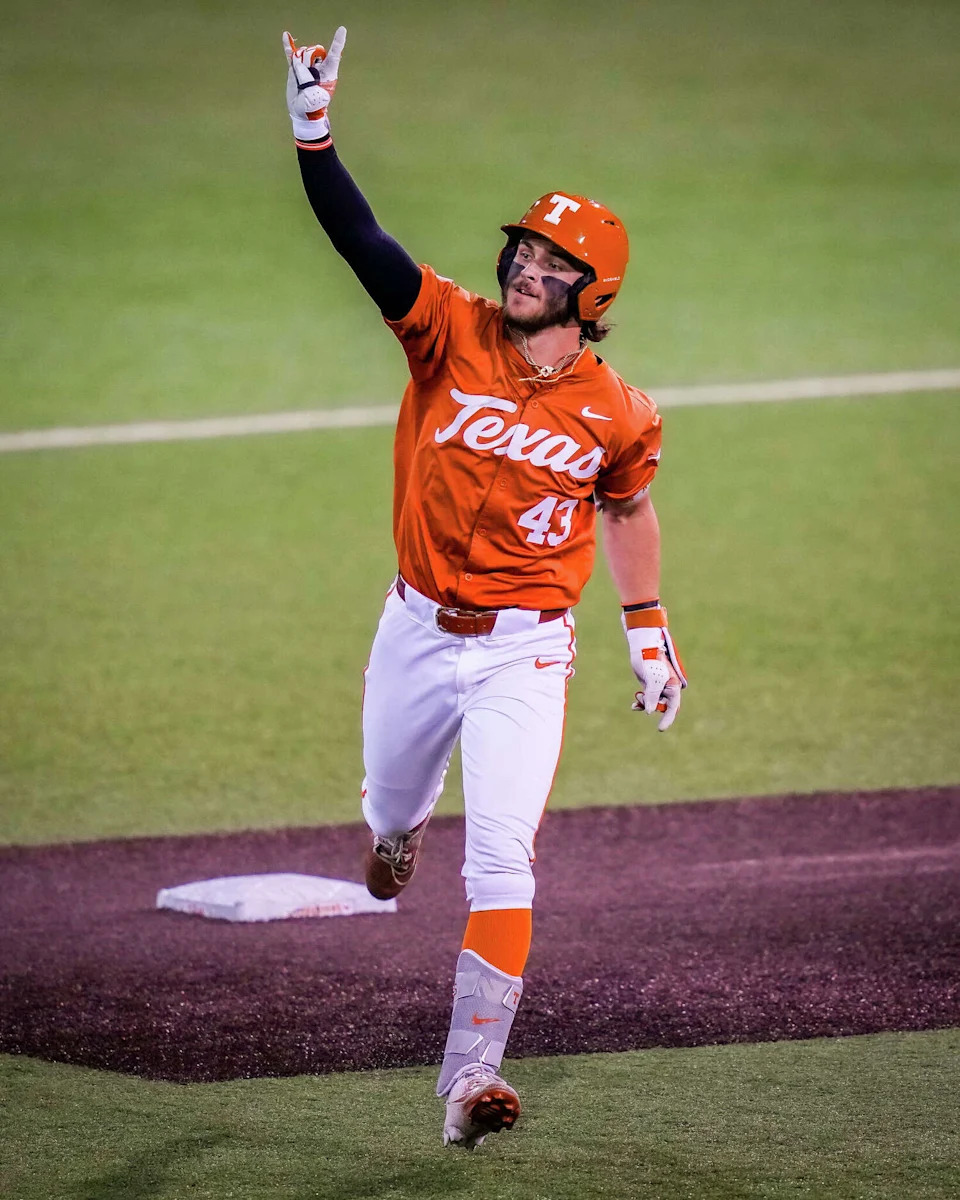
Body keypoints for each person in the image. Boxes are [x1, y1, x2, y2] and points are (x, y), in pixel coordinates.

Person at [282, 26, 687, 1150]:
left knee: (504, 856)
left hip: (527, 651)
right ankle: (394, 831)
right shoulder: (446, 330)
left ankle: (472, 1080)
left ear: (588, 291)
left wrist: (647, 632)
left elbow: (630, 506)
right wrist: (314, 130)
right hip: (416, 632)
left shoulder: (621, 412)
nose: (524, 267)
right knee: (392, 820)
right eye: (522, 249)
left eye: (551, 263)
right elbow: (359, 239)